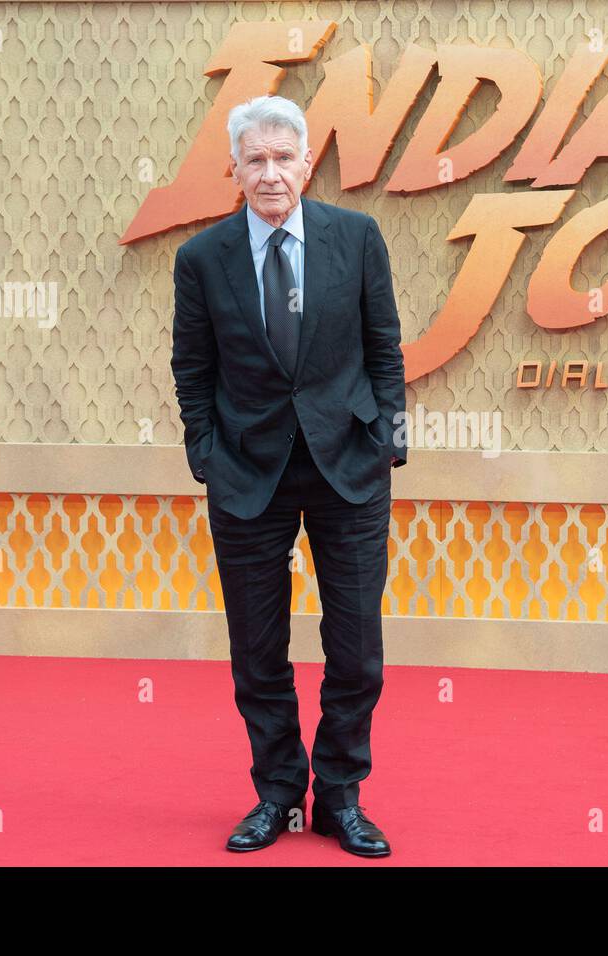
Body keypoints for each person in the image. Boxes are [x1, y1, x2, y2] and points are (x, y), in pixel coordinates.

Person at [170, 94, 407, 858]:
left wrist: (389, 444)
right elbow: (192, 369)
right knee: (257, 650)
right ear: (234, 172)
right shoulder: (201, 259)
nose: (271, 174)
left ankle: (340, 796)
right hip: (246, 475)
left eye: (283, 158)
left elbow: (385, 349)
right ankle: (277, 795)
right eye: (255, 161)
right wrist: (206, 453)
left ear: (307, 161)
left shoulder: (358, 238)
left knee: (358, 648)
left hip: (350, 469)